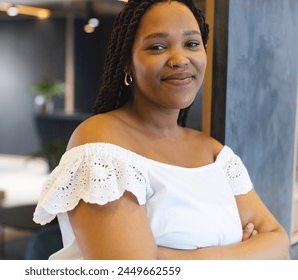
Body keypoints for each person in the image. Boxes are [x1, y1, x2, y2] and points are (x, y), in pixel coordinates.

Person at [33, 0, 290, 259]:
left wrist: (176, 258)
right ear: (127, 63)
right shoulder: (100, 146)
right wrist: (244, 254)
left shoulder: (216, 155)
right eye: (157, 47)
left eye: (191, 44)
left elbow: (279, 245)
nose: (180, 59)